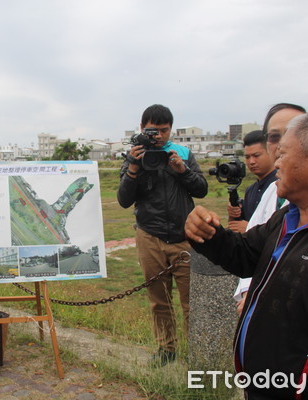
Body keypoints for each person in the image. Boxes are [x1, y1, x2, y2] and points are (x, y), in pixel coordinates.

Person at [185, 112, 308, 399]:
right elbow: (246, 255)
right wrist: (209, 236)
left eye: (282, 154)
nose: (277, 163)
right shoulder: (289, 215)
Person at [117, 104, 208, 366]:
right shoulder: (135, 155)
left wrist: (183, 170)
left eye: (164, 130)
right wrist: (134, 167)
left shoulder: (182, 153)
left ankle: (196, 354)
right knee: (159, 300)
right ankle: (166, 350)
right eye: (152, 130)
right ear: (142, 128)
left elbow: (201, 189)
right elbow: (123, 200)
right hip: (150, 236)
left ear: (171, 129)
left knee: (191, 302)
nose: (158, 136)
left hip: (184, 237)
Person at [232, 103, 306, 313]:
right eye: (274, 137)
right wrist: (248, 292)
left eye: (294, 133)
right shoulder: (271, 192)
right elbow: (251, 251)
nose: (283, 143)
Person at [226, 130, 277, 234]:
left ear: (270, 152)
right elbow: (237, 226)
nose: (251, 162)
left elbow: (281, 227)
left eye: (256, 155)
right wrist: (233, 214)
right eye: (247, 157)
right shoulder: (251, 190)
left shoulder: (280, 187)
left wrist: (249, 227)